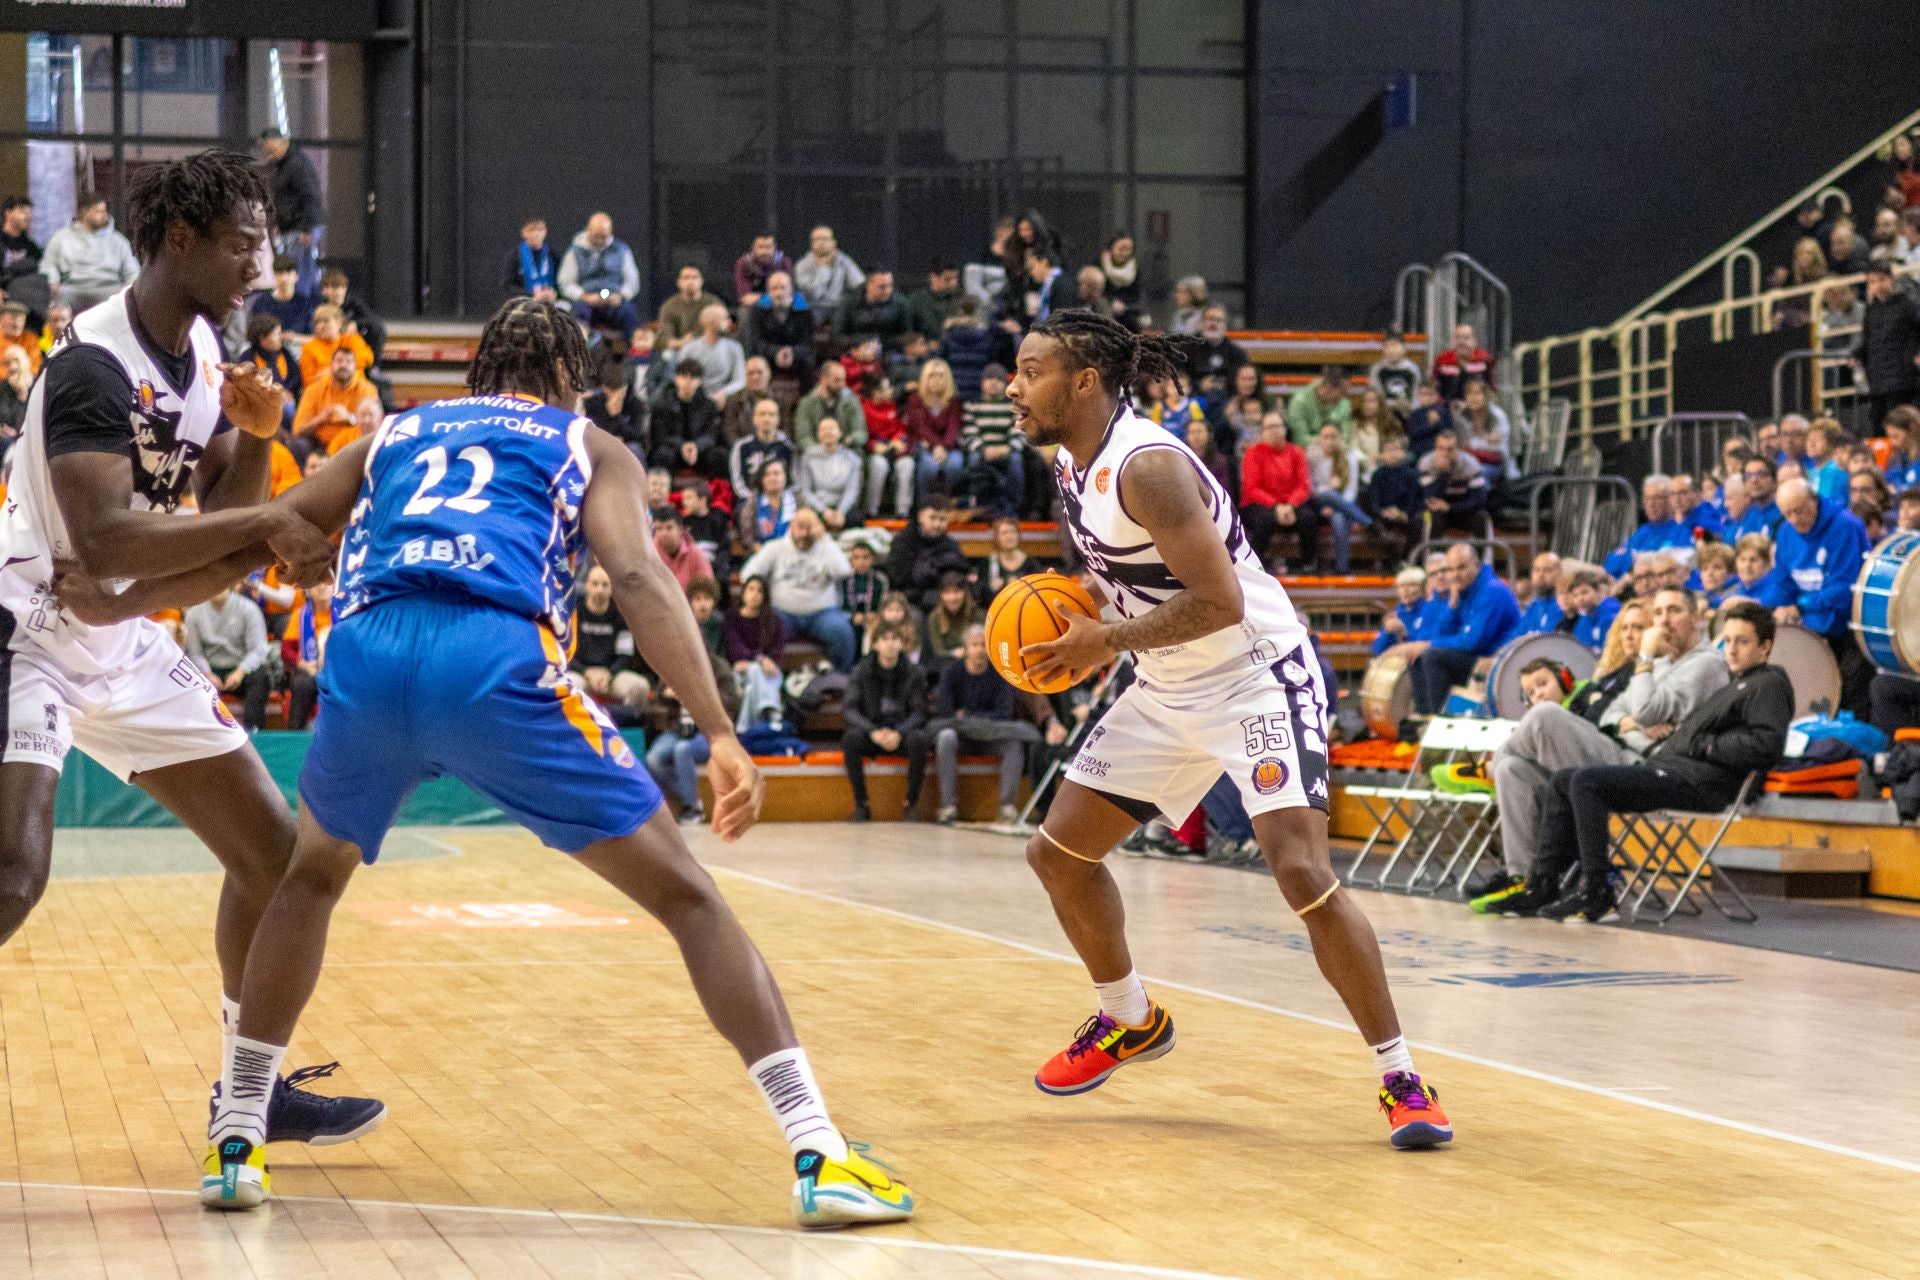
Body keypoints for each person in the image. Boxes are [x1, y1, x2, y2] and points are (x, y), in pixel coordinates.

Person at [90, 297, 911, 1223]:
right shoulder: (587, 442)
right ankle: (820, 1154)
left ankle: (237, 1139)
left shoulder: (394, 430)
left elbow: (275, 530)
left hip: (367, 652)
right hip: (492, 658)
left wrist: (134, 597)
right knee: (688, 898)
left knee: (309, 880)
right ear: (574, 379)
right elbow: (638, 577)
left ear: (481, 368)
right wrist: (719, 730)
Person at [0, 151, 380, 1174]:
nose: (267, 263)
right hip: (26, 624)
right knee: (13, 873)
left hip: (119, 634)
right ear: (182, 240)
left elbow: (211, 526)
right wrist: (275, 522)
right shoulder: (92, 361)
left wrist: (258, 444)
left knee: (276, 856)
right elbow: (113, 536)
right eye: (247, 244)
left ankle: (247, 1089)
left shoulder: (208, 351)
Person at [1006, 309, 1451, 1147]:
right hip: (1166, 682)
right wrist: (1075, 617)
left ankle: (1402, 1078)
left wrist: (1100, 641)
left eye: (1029, 372)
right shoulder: (1072, 464)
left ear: (1085, 381)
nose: (1012, 387)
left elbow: (1220, 601)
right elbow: (1127, 573)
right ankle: (1127, 1018)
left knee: (1300, 871)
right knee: (1056, 852)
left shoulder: (1152, 467)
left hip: (1254, 675)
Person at [1465, 589, 1725, 913]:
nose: (1664, 622)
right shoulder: (1660, 665)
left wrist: (1639, 704)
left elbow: (1643, 710)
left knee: (1546, 714)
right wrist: (1629, 722)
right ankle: (1524, 878)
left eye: (1674, 611)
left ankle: (1488, 764)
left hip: (1650, 768)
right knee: (1513, 770)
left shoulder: (1704, 664)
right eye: (1658, 613)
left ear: (1696, 618)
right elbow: (1615, 713)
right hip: (1621, 750)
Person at [1529, 602, 1791, 923]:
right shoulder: (1737, 682)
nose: (1732, 650)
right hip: (1672, 768)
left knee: (1585, 782)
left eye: (1744, 642)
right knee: (1563, 780)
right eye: (1729, 640)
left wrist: (1701, 744)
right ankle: (1542, 884)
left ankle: (1598, 892)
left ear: (1765, 647)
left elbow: (1766, 746)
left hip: (1701, 783)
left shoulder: (1769, 684)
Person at [1760, 477, 1872, 716]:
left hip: (1850, 627)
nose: (1794, 519)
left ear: (1814, 500)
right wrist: (1771, 606)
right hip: (1812, 625)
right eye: (1787, 513)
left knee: (1849, 698)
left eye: (1799, 510)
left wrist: (1800, 607)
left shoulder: (1845, 526)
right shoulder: (1786, 532)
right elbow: (1782, 581)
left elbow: (1846, 587)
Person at [1401, 542, 1520, 715]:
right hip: (1478, 657)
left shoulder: (1492, 591)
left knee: (1433, 656)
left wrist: (1429, 644)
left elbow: (1473, 642)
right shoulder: (1462, 591)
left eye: (1462, 568)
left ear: (1477, 565)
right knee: (1416, 656)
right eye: (1451, 569)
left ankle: (1441, 721)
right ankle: (1425, 719)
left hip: (1497, 662)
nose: (1455, 575)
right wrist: (1451, 607)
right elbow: (1442, 634)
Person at [929, 624, 1032, 825]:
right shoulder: (951, 672)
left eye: (984, 645)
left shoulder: (1000, 673)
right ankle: (947, 806)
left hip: (991, 736)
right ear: (966, 648)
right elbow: (946, 712)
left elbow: (1003, 714)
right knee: (945, 737)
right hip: (962, 736)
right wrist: (978, 718)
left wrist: (967, 715)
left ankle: (1007, 807)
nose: (979, 650)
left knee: (1013, 743)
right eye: (974, 645)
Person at [740, 506, 858, 672]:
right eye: (800, 527)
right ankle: (773, 682)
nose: (805, 533)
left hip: (822, 614)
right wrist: (762, 594)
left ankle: (839, 680)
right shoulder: (775, 547)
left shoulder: (826, 547)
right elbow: (747, 573)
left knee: (842, 632)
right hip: (783, 613)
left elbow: (844, 571)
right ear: (791, 527)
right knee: (766, 629)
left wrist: (824, 538)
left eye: (810, 527)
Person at [841, 622, 931, 821]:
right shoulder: (862, 670)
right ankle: (861, 804)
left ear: (901, 644)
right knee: (850, 739)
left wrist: (900, 732)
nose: (890, 644)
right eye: (885, 639)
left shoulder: (913, 672)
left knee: (919, 739)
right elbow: (849, 709)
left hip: (901, 733)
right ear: (875, 644)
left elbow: (919, 712)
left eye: (895, 639)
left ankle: (911, 804)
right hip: (872, 733)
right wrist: (872, 731)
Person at [646, 648, 742, 824]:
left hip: (709, 731)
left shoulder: (718, 666)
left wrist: (699, 696)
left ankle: (692, 808)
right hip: (678, 728)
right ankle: (690, 796)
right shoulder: (672, 664)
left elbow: (732, 700)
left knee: (683, 750)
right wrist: (666, 694)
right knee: (653, 759)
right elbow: (657, 698)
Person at [183, 580, 273, 732]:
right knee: (188, 678)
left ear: (229, 583)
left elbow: (258, 649)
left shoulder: (249, 608)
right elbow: (194, 652)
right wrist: (207, 673)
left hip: (241, 669)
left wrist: (240, 671)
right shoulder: (193, 614)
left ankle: (255, 730)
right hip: (209, 670)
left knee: (260, 677)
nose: (216, 588)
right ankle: (198, 733)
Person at [570, 564, 651, 721]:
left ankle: (619, 724)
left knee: (640, 687)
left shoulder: (621, 617)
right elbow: (566, 653)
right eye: (595, 584)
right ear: (586, 585)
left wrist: (609, 674)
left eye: (605, 584)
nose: (599, 589)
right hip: (581, 673)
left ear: (611, 588)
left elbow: (625, 655)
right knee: (566, 686)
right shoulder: (574, 615)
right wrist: (587, 673)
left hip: (612, 676)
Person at [1238, 409, 1315, 572]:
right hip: (1260, 504)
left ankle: (1308, 564)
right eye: (1269, 427)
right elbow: (1252, 488)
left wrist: (1290, 505)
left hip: (1290, 504)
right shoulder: (1253, 453)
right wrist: (1276, 506)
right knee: (1265, 519)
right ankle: (1256, 566)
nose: (1274, 431)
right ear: (1262, 432)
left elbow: (1303, 485)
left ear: (1285, 429)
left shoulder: (1297, 452)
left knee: (1308, 517)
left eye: (1277, 426)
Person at [39, 194, 139, 314]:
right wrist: (52, 281)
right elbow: (49, 264)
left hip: (109, 289)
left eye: (104, 211)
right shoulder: (61, 238)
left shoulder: (118, 240)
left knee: (125, 297)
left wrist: (131, 287)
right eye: (98, 211)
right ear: (84, 212)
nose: (104, 215)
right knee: (56, 296)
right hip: (73, 290)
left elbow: (132, 270)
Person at [1853, 261, 1920, 430]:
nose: (1878, 286)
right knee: (1879, 428)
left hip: (1904, 380)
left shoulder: (1907, 303)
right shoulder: (1871, 311)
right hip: (1877, 382)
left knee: (1902, 427)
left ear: (1891, 279)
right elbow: (1868, 341)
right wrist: (1856, 355)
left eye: (1882, 279)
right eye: (1872, 282)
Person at [258, 130, 323, 294]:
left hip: (301, 226)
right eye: (267, 152)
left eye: (273, 151)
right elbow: (283, 199)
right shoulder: (283, 165)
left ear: (283, 143)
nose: (270, 156)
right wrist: (278, 223)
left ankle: (302, 304)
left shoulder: (297, 166)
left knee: (301, 273)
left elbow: (310, 196)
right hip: (291, 225)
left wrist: (307, 228)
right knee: (293, 268)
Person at [559, 213, 642, 341]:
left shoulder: (622, 250)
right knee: (577, 315)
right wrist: (583, 296)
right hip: (586, 300)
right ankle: (580, 352)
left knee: (629, 313)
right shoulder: (574, 251)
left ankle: (633, 357)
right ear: (588, 230)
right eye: (596, 236)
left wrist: (621, 295)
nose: (600, 240)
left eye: (604, 237)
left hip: (615, 301)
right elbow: (566, 282)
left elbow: (632, 281)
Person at [1305, 423, 1372, 573]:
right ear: (1320, 439)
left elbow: (1351, 491)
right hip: (1317, 504)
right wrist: (1329, 494)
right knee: (1328, 494)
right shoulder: (1311, 458)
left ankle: (1342, 568)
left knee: (1339, 518)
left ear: (1340, 438)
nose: (1330, 441)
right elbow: (1310, 488)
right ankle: (1367, 521)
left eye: (1334, 437)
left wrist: (1336, 504)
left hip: (1341, 506)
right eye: (1326, 437)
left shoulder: (1349, 459)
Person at [724, 574, 788, 731]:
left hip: (767, 673)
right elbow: (735, 649)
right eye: (751, 589)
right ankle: (772, 712)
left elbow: (776, 653)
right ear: (743, 592)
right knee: (753, 670)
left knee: (754, 681)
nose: (755, 594)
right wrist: (759, 658)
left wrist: (760, 661)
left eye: (760, 591)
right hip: (739, 672)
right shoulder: (732, 618)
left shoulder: (774, 621)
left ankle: (744, 728)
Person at [886, 496, 970, 610]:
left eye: (942, 519)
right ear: (920, 517)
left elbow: (960, 575)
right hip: (910, 603)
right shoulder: (902, 543)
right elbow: (897, 579)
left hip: (946, 601)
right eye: (932, 518)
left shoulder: (951, 545)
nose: (937, 524)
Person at [293, 345, 379, 455]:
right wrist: (321, 418)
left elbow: (374, 426)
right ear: (331, 365)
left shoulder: (367, 390)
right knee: (298, 445)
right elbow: (298, 430)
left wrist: (349, 418)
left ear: (355, 367)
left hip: (352, 444)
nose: (343, 365)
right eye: (339, 361)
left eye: (349, 362)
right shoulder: (314, 390)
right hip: (320, 445)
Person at [962, 363, 1023, 517]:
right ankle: (975, 502)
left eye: (999, 379)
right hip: (982, 450)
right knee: (974, 458)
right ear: (982, 382)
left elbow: (1020, 431)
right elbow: (970, 433)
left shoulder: (1015, 405)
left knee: (1016, 459)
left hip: (1006, 450)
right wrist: (983, 449)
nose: (994, 382)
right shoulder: (972, 405)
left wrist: (1007, 449)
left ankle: (1014, 506)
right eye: (989, 378)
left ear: (1005, 384)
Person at [1603, 475, 1692, 575]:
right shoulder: (1642, 532)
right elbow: (1611, 564)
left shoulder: (1683, 531)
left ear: (1670, 500)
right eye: (1647, 499)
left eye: (1657, 498)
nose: (1651, 504)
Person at [649, 357, 724, 477]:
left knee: (718, 455)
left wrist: (697, 446)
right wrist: (681, 446)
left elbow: (712, 434)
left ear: (700, 381)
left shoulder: (708, 405)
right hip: (673, 451)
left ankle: (712, 492)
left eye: (693, 377)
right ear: (676, 379)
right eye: (683, 376)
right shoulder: (663, 404)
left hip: (699, 452)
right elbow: (659, 436)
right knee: (662, 455)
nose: (688, 382)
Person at [905, 357, 965, 502]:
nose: (936, 379)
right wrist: (936, 445)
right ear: (925, 378)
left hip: (948, 446)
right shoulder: (915, 399)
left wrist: (943, 446)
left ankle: (947, 503)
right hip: (923, 444)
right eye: (932, 375)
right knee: (929, 466)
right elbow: (920, 427)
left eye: (941, 375)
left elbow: (954, 427)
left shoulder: (954, 401)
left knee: (955, 464)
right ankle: (923, 505)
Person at [746, 271, 816, 389]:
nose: (778, 293)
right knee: (755, 365)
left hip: (795, 356)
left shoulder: (804, 311)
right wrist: (775, 352)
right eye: (774, 289)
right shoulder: (757, 310)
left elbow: (808, 343)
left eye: (782, 288)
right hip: (768, 355)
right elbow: (755, 341)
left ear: (791, 290)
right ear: (768, 291)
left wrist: (792, 352)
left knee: (809, 363)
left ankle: (805, 402)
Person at [795, 416, 864, 531]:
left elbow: (852, 489)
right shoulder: (808, 457)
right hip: (818, 505)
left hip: (842, 506)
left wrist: (841, 512)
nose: (827, 432)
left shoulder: (852, 458)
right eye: (823, 429)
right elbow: (806, 491)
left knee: (856, 520)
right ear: (818, 434)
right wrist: (824, 511)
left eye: (831, 428)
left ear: (840, 433)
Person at [1365, 434, 1420, 567]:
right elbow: (1373, 501)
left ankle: (1408, 560)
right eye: (1388, 450)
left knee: (1418, 523)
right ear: (1382, 454)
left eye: (1396, 449)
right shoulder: (1377, 475)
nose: (1392, 453)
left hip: (1404, 514)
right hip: (1383, 515)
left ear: (1404, 453)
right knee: (1376, 526)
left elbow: (1414, 498)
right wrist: (1382, 512)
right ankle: (1392, 563)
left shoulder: (1412, 474)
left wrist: (1402, 513)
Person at [1417, 429, 1489, 531]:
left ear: (1457, 449)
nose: (1445, 453)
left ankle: (1482, 547)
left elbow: (1480, 500)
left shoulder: (1471, 464)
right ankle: (1432, 547)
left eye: (1450, 449)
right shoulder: (1426, 463)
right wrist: (1443, 475)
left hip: (1463, 509)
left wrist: (1450, 507)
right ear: (1435, 448)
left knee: (1481, 516)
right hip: (1439, 511)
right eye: (1441, 449)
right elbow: (1429, 497)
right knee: (1423, 517)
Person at [282, 580, 331, 731]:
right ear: (309, 590)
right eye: (317, 583)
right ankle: (294, 735)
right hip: (308, 667)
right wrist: (302, 664)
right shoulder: (300, 615)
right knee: (302, 684)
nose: (321, 586)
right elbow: (286, 649)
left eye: (327, 583)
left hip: (338, 669)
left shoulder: (345, 613)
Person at [678, 303, 747, 406]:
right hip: (695, 401)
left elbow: (740, 380)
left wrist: (723, 393)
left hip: (726, 401)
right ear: (709, 322)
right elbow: (682, 377)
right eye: (724, 318)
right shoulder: (689, 349)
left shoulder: (734, 348)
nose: (728, 322)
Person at [244, 313, 303, 435]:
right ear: (262, 338)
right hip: (262, 406)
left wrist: (289, 393)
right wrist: (276, 393)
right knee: (287, 409)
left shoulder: (285, 354)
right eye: (276, 334)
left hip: (290, 401)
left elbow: (296, 380)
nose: (281, 337)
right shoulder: (248, 357)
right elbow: (249, 387)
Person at [582, 355, 648, 459]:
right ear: (603, 387)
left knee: (635, 450)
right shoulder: (593, 402)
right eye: (610, 390)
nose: (615, 394)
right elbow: (592, 430)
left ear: (626, 386)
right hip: (602, 443)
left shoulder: (636, 404)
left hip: (627, 444)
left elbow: (637, 435)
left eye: (619, 389)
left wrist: (616, 416)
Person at [793, 359, 864, 452]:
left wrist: (849, 440)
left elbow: (861, 433)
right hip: (816, 454)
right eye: (837, 380)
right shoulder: (806, 403)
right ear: (823, 379)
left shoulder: (851, 401)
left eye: (844, 380)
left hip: (845, 451)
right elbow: (803, 437)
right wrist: (821, 452)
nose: (843, 385)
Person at [297, 304, 374, 387]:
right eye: (317, 322)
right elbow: (308, 380)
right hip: (324, 393)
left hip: (355, 390)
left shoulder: (352, 339)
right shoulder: (309, 348)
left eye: (326, 321)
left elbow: (367, 358)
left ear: (339, 323)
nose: (321, 326)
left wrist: (332, 370)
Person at [794, 224, 865, 313]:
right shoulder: (802, 265)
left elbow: (859, 283)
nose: (821, 243)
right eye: (817, 240)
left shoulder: (842, 259)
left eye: (825, 239)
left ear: (834, 242)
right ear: (811, 244)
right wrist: (823, 267)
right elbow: (816, 294)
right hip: (812, 307)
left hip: (839, 308)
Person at [1185, 304, 1248, 404]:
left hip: (1227, 403)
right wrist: (1198, 385)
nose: (1213, 324)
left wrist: (1234, 400)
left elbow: (1243, 381)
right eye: (1209, 319)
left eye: (1218, 320)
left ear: (1225, 326)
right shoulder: (1186, 349)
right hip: (1192, 400)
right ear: (1201, 323)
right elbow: (1179, 377)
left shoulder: (1236, 353)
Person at [656, 265, 726, 354]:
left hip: (709, 348)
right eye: (686, 278)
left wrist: (699, 343)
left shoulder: (713, 303)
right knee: (668, 354)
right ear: (679, 283)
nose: (690, 281)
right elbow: (664, 337)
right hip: (680, 350)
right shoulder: (670, 306)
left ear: (701, 281)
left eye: (695, 277)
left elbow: (723, 331)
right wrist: (680, 343)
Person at [736, 457, 797, 555]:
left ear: (785, 476)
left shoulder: (797, 500)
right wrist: (759, 550)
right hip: (761, 554)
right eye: (767, 475)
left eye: (776, 473)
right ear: (762, 479)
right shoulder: (753, 502)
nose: (772, 478)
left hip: (792, 553)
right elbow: (747, 533)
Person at [1372, 565, 1434, 654]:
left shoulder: (1428, 610)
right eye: (1401, 586)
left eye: (1412, 585)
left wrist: (1403, 632)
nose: (1405, 590)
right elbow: (1377, 650)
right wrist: (1387, 632)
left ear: (1422, 588)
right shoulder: (1396, 613)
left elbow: (1424, 646)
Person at [248, 255, 313, 338]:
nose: (284, 278)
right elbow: (253, 334)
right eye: (280, 273)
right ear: (274, 276)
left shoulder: (305, 303)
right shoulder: (262, 302)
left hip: (298, 347)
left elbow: (313, 337)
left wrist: (294, 338)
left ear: (296, 276)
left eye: (289, 272)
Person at [652, 506, 714, 593]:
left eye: (669, 528)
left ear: (680, 529)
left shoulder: (695, 554)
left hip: (689, 605)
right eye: (659, 528)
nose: (664, 533)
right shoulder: (649, 554)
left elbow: (707, 590)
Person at [1286, 368, 1352, 447]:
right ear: (1328, 389)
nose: (1344, 397)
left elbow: (1347, 437)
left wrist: (1332, 441)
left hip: (1337, 451)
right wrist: (1330, 439)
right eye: (1342, 392)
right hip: (1307, 452)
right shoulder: (1299, 402)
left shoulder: (1344, 404)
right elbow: (1300, 440)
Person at [1728, 455, 1785, 541]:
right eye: (1748, 475)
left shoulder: (1783, 514)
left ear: (1775, 480)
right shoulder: (1749, 515)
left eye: (1761, 474)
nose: (1754, 480)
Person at [502, 216, 558, 302]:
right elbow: (508, 287)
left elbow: (561, 281)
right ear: (523, 233)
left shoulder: (553, 255)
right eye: (531, 230)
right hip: (524, 301)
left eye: (540, 230)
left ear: (545, 231)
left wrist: (555, 293)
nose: (536, 234)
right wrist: (531, 295)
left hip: (552, 300)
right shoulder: (514, 256)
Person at [1432, 323, 1492, 401]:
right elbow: (1434, 389)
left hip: (1477, 406)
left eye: (1466, 338)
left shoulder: (1484, 359)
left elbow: (1491, 388)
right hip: (1448, 407)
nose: (1461, 342)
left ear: (1474, 341)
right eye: (1458, 338)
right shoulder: (1442, 360)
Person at [841, 541, 889, 633]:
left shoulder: (880, 580)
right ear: (851, 560)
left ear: (873, 559)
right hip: (847, 621)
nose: (861, 561)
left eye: (865, 557)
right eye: (856, 558)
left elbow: (884, 604)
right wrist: (851, 616)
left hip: (873, 621)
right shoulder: (843, 579)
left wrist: (876, 615)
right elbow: (838, 605)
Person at [732, 235, 792, 307]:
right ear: (753, 248)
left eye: (768, 247)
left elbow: (788, 292)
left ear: (774, 247)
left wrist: (764, 298)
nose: (765, 252)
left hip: (781, 303)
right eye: (761, 247)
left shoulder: (783, 262)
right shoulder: (744, 263)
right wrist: (771, 296)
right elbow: (746, 298)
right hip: (754, 307)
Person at [1369, 333, 1422, 412]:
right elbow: (1376, 397)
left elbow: (1417, 398)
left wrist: (1408, 406)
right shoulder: (1377, 369)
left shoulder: (1413, 369)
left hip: (1409, 413)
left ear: (1404, 349)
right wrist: (1392, 404)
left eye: (1395, 345)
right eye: (1387, 346)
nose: (1391, 350)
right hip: (1385, 414)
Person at [1516, 552, 1564, 635]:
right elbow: (1516, 638)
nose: (1540, 575)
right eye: (1536, 570)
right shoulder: (1533, 606)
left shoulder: (1564, 607)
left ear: (1559, 574)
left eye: (1547, 570)